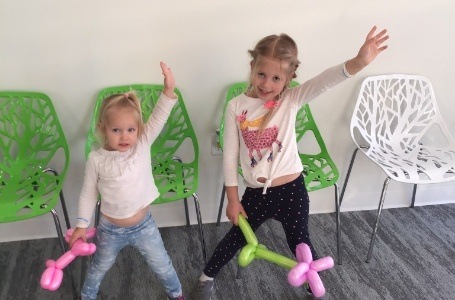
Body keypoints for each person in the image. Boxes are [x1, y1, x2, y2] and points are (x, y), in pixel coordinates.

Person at [195, 26, 389, 300]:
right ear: (252, 67)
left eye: (276, 78)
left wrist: (359, 62)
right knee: (236, 237)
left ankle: (313, 284)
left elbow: (326, 80)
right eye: (261, 74)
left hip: (292, 192)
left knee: (299, 242)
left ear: (288, 79)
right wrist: (232, 199)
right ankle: (206, 278)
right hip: (255, 194)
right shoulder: (236, 107)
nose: (266, 83)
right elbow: (229, 156)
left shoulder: (291, 99)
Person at [69, 62, 185, 300]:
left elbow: (158, 118)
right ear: (102, 128)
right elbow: (88, 193)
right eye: (116, 130)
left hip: (145, 226)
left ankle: (177, 294)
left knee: (162, 264)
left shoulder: (142, 144)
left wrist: (168, 91)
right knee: (98, 267)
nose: (125, 136)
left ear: (138, 130)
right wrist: (81, 224)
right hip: (110, 230)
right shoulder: (96, 159)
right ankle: (87, 295)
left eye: (131, 130)